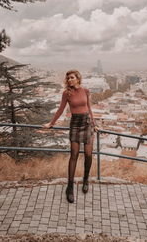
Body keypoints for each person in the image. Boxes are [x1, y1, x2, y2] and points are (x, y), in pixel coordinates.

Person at [43, 70, 98, 203]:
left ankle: (85, 180)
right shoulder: (66, 93)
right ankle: (70, 187)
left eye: (71, 77)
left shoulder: (85, 91)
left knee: (88, 154)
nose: (69, 80)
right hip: (75, 124)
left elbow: (89, 108)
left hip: (87, 123)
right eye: (68, 78)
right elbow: (61, 109)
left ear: (78, 78)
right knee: (74, 155)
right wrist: (51, 123)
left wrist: (95, 124)